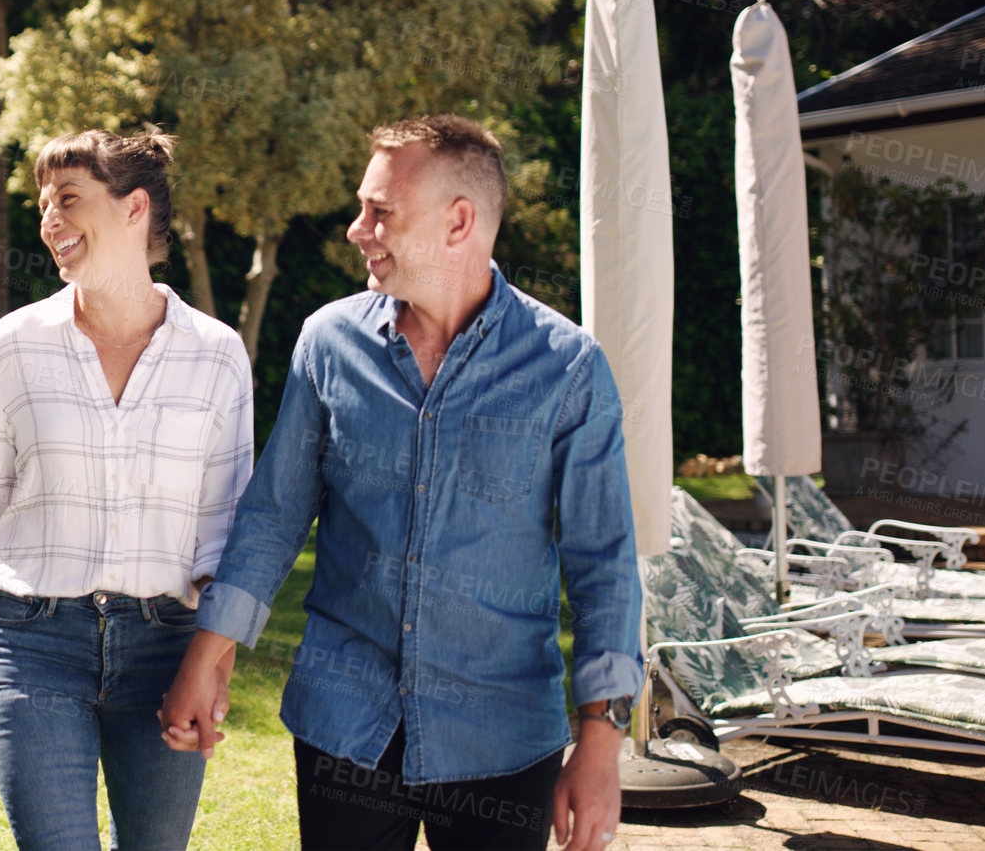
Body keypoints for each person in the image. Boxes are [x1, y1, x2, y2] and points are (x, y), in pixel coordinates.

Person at [159, 115, 642, 851]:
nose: (357, 229)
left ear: (458, 222)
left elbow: (602, 567)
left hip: (502, 738)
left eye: (379, 211)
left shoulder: (567, 369)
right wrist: (206, 656)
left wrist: (601, 744)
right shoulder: (328, 343)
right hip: (344, 724)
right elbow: (273, 516)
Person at [0, 130, 254, 850]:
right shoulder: (16, 343)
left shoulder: (215, 354)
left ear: (133, 208)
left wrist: (211, 670)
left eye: (68, 200)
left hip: (167, 648)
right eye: (42, 204)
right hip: (33, 642)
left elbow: (224, 534)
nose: (48, 220)